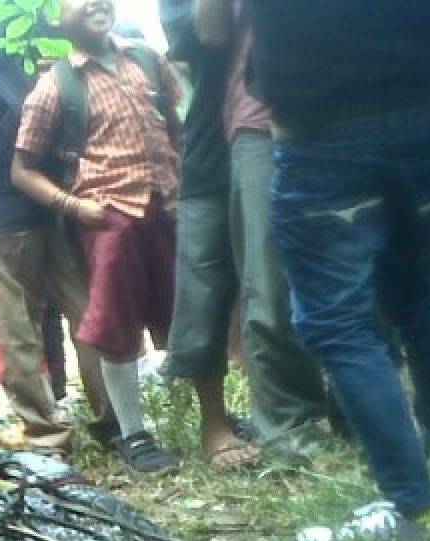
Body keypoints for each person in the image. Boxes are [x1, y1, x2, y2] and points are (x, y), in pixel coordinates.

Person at [248, 0, 430, 541]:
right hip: (423, 105)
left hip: (322, 127)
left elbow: (211, 26)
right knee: (424, 301)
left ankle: (413, 509)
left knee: (340, 325)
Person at [11, 0, 183, 474]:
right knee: (115, 327)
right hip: (110, 217)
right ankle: (135, 434)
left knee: (189, 312)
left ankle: (217, 417)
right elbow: (22, 170)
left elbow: (174, 127)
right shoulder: (55, 85)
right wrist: (75, 206)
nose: (93, 3)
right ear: (55, 18)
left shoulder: (147, 58)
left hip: (167, 208)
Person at [0, 0, 113, 451]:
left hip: (58, 191)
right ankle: (54, 429)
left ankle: (106, 421)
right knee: (23, 323)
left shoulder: (40, 20)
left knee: (82, 312)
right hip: (3, 197)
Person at [158, 0, 324, 470]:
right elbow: (205, 36)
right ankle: (215, 423)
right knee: (204, 290)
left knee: (281, 278)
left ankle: (306, 406)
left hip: (279, 128)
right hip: (213, 146)